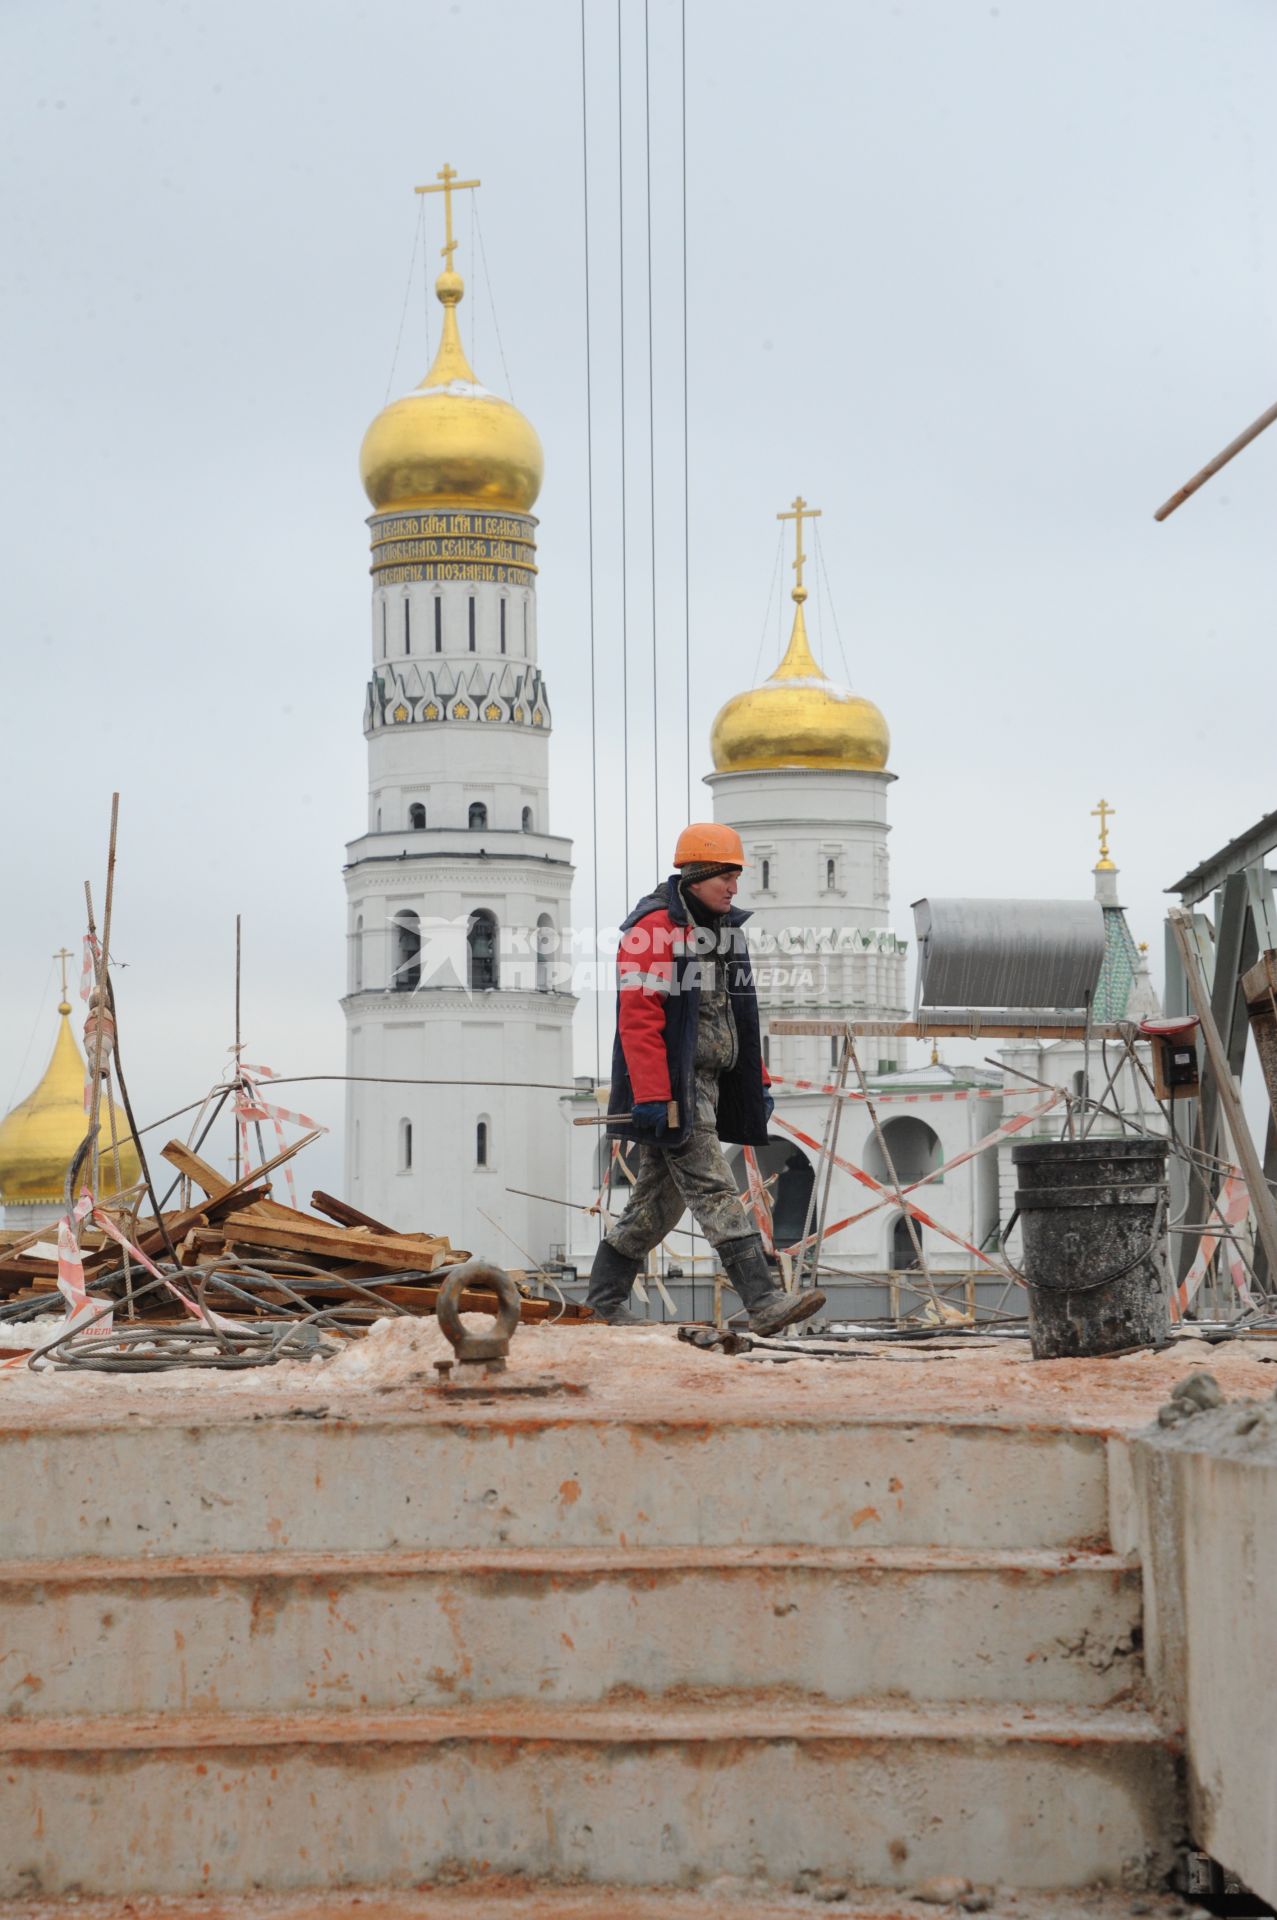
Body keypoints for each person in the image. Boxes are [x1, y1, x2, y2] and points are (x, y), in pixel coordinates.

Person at [586, 823, 826, 1333]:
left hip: (708, 1085)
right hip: (675, 1088)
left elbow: (740, 1015)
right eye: (727, 878)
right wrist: (653, 1094)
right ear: (699, 875)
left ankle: (602, 1301)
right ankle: (763, 1301)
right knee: (715, 1188)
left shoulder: (719, 932)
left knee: (658, 1202)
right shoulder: (654, 930)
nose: (735, 889)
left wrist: (756, 1080)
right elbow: (639, 1019)